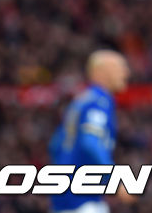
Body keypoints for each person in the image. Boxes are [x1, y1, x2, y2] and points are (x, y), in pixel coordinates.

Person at [49, 50, 133, 213]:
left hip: (63, 200)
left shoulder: (80, 102)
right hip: (82, 202)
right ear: (101, 72)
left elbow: (55, 145)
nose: (127, 73)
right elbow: (90, 142)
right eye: (121, 67)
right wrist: (114, 179)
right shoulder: (99, 101)